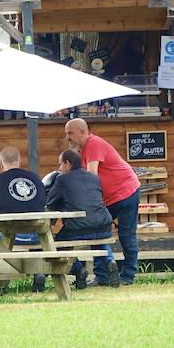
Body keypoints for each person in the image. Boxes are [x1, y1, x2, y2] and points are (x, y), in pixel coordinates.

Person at [64, 118, 140, 285]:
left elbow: (92, 176)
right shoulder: (83, 150)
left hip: (126, 192)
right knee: (96, 231)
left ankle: (128, 276)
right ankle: (103, 276)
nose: (67, 137)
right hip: (108, 198)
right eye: (66, 134)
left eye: (70, 133)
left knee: (126, 235)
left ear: (83, 132)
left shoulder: (93, 144)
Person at [45, 149, 117, 289]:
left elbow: (50, 201)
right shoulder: (94, 177)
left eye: (60, 164)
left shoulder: (62, 179)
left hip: (78, 228)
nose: (59, 168)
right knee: (99, 242)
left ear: (68, 163)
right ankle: (110, 262)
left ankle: (79, 269)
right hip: (103, 225)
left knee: (59, 243)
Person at [0, 146, 47, 292]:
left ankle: (1, 281)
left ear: (1, 163)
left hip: (9, 233)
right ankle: (38, 272)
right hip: (36, 233)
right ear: (19, 161)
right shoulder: (35, 178)